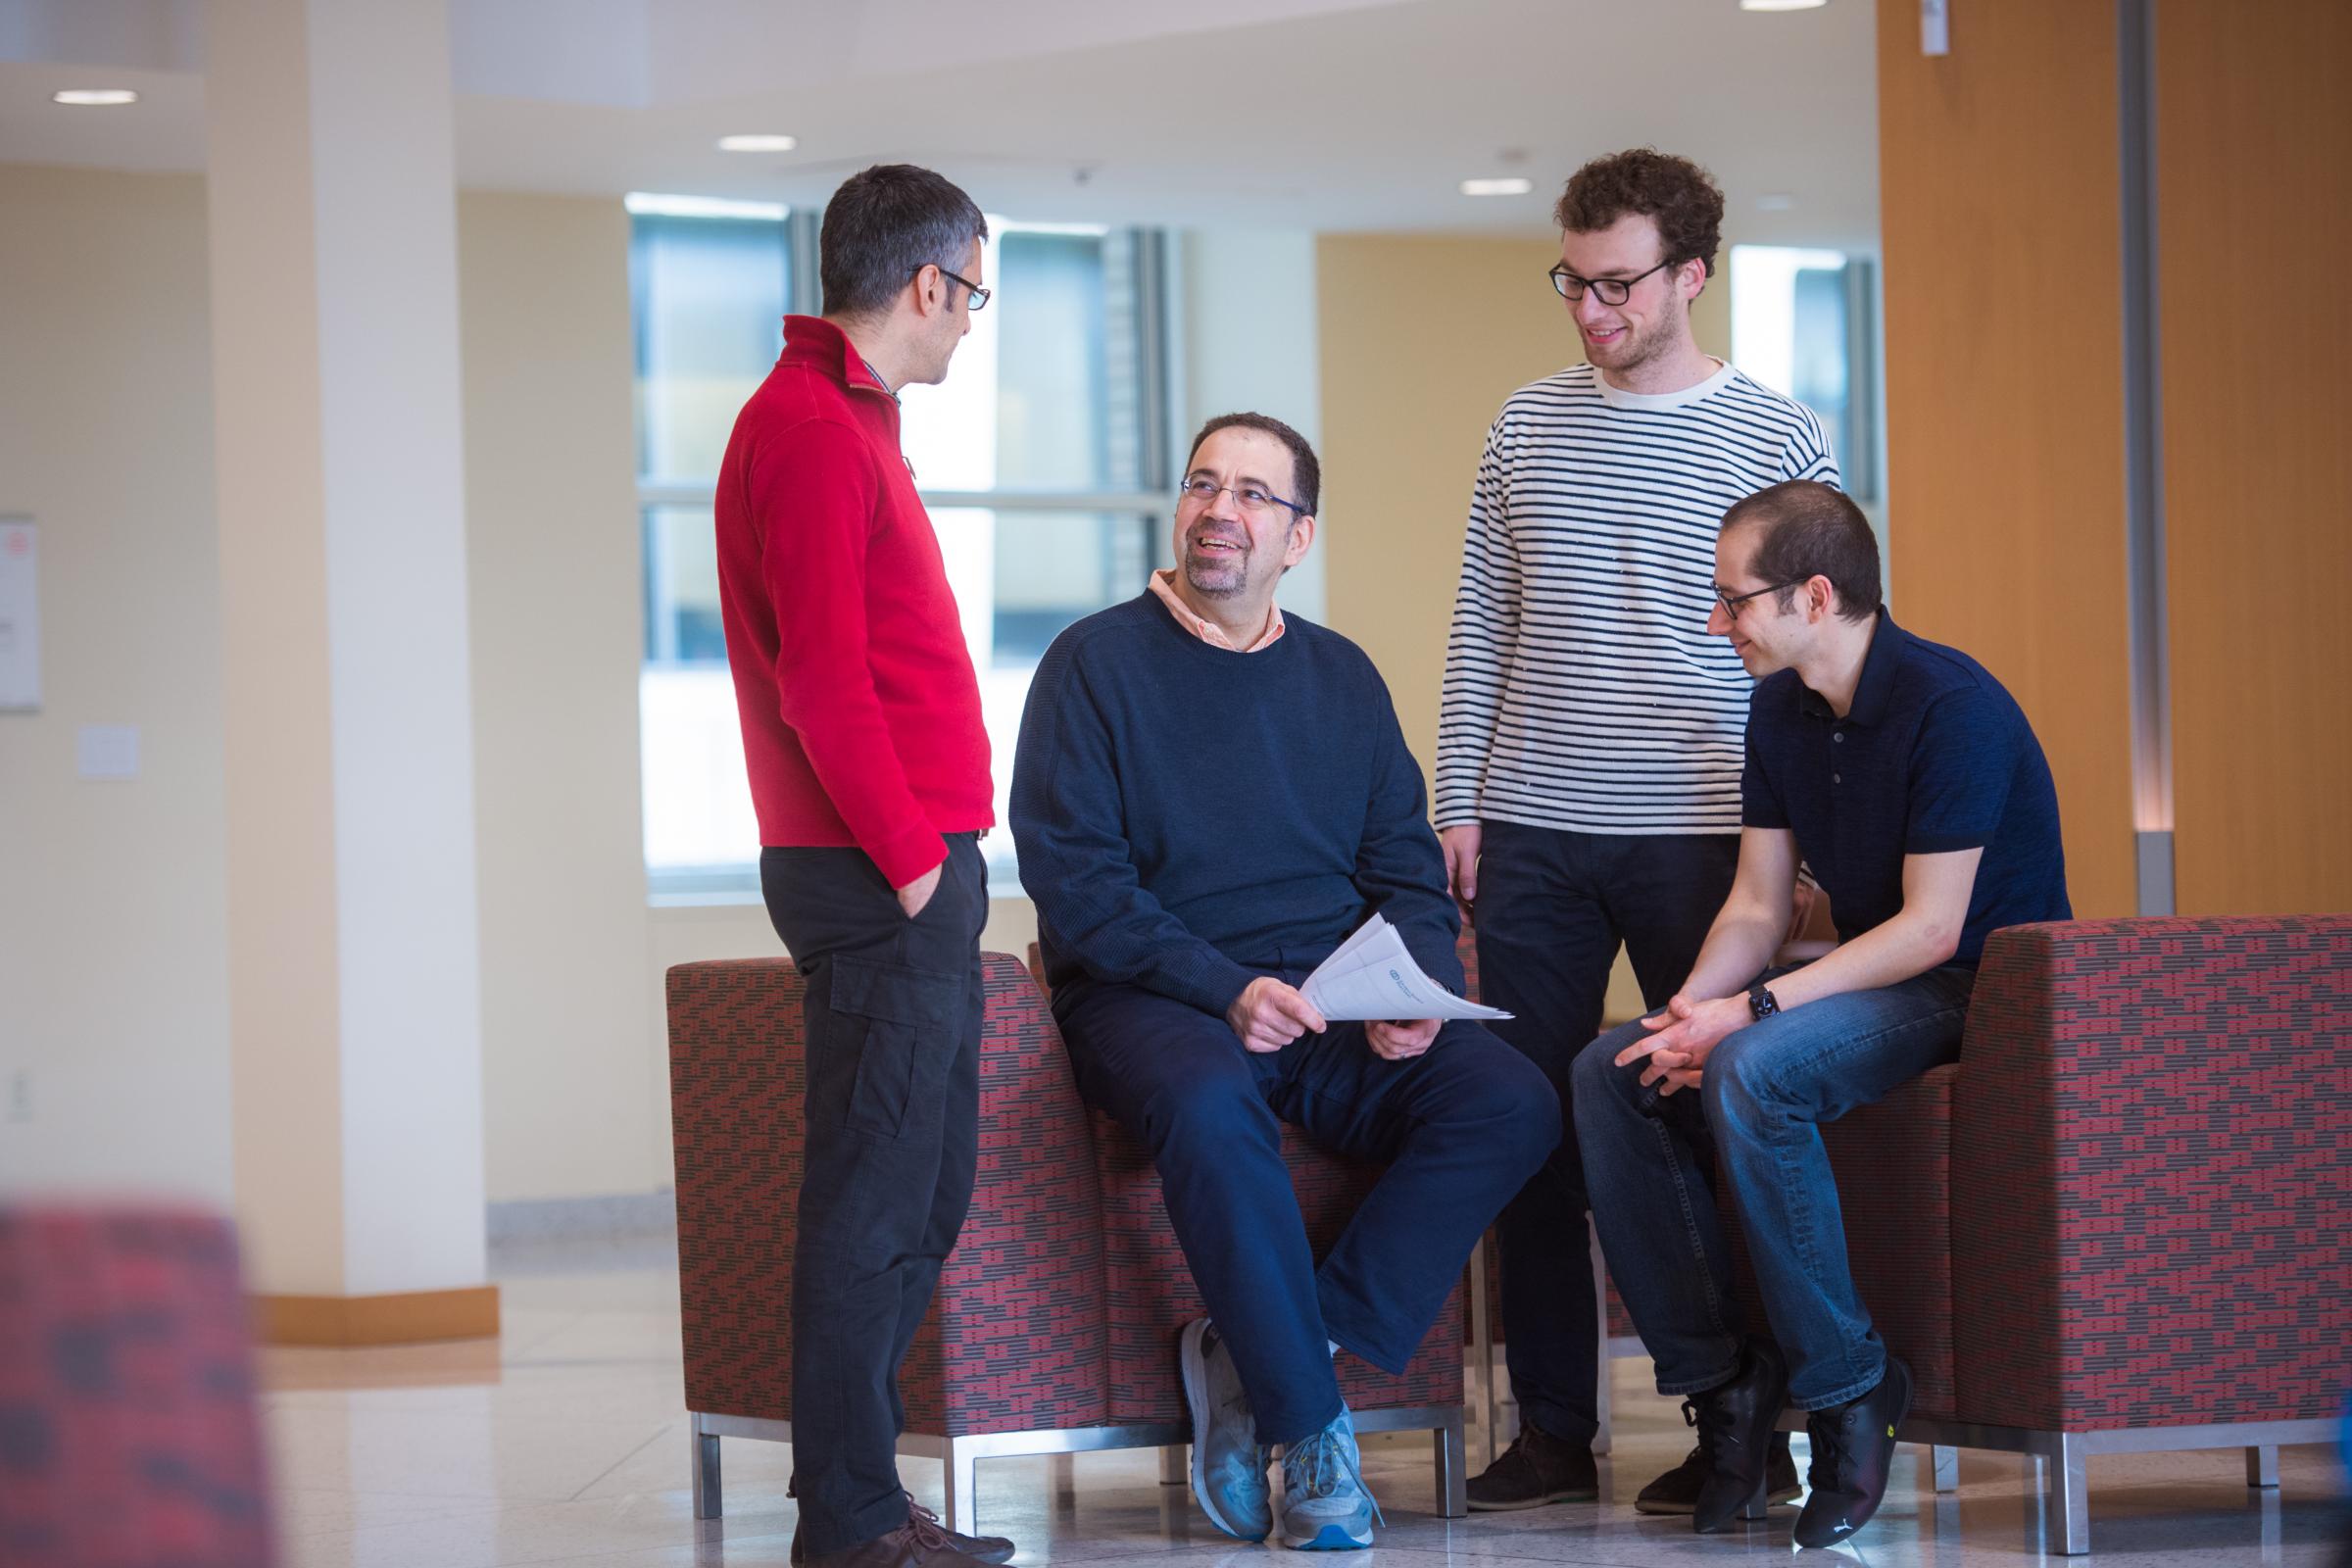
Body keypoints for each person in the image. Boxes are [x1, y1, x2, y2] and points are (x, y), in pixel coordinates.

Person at [1009, 413, 1558, 1551]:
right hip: (1151, 998)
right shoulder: (1091, 665)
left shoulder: (1341, 678)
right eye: (1205, 483)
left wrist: (1409, 982)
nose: (1223, 509)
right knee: (1210, 1101)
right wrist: (1223, 988)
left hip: (1329, 1005)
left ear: (1298, 536)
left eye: (1256, 495)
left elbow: (1403, 866)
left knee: (1512, 1099)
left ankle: (1266, 1351)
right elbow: (1080, 884)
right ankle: (1311, 1434)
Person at [1433, 147, 1839, 1514]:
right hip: (1536, 823)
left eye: (1617, 285)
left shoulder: (1777, 435)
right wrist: (1460, 797)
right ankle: (1554, 1425)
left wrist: (1806, 838)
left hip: (1710, 833)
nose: (1591, 310)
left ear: (1689, 277)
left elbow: (1817, 649)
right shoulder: (1524, 422)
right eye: (1573, 281)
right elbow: (1483, 616)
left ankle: (1742, 1420)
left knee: (1709, 1118)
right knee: (1529, 1120)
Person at [1572, 479, 2071, 1546]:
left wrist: (1744, 1018)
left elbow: (1933, 931)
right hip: (1865, 975)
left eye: (1732, 600)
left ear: (1813, 594)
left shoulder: (1954, 706)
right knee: (1612, 1070)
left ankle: (1851, 1388)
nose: (1717, 622)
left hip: (1970, 989)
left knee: (1756, 1068)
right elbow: (1758, 901)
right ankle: (1728, 1390)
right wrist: (1689, 1014)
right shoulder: (1779, 709)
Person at [713, 164, 1012, 1568]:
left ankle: (860, 1493)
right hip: (872, 866)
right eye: (975, 294)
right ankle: (848, 1517)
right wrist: (912, 865)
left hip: (903, 862)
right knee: (875, 1200)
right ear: (930, 283)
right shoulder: (811, 430)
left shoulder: (847, 421)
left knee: (920, 1193)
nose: (969, 325)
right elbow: (821, 680)